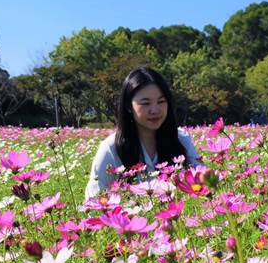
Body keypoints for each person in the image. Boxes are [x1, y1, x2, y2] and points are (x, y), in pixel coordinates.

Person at [84, 67, 200, 199]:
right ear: (128, 106)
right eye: (146, 103)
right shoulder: (111, 149)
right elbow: (95, 200)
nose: (155, 110)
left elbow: (201, 180)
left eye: (161, 101)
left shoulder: (181, 139)